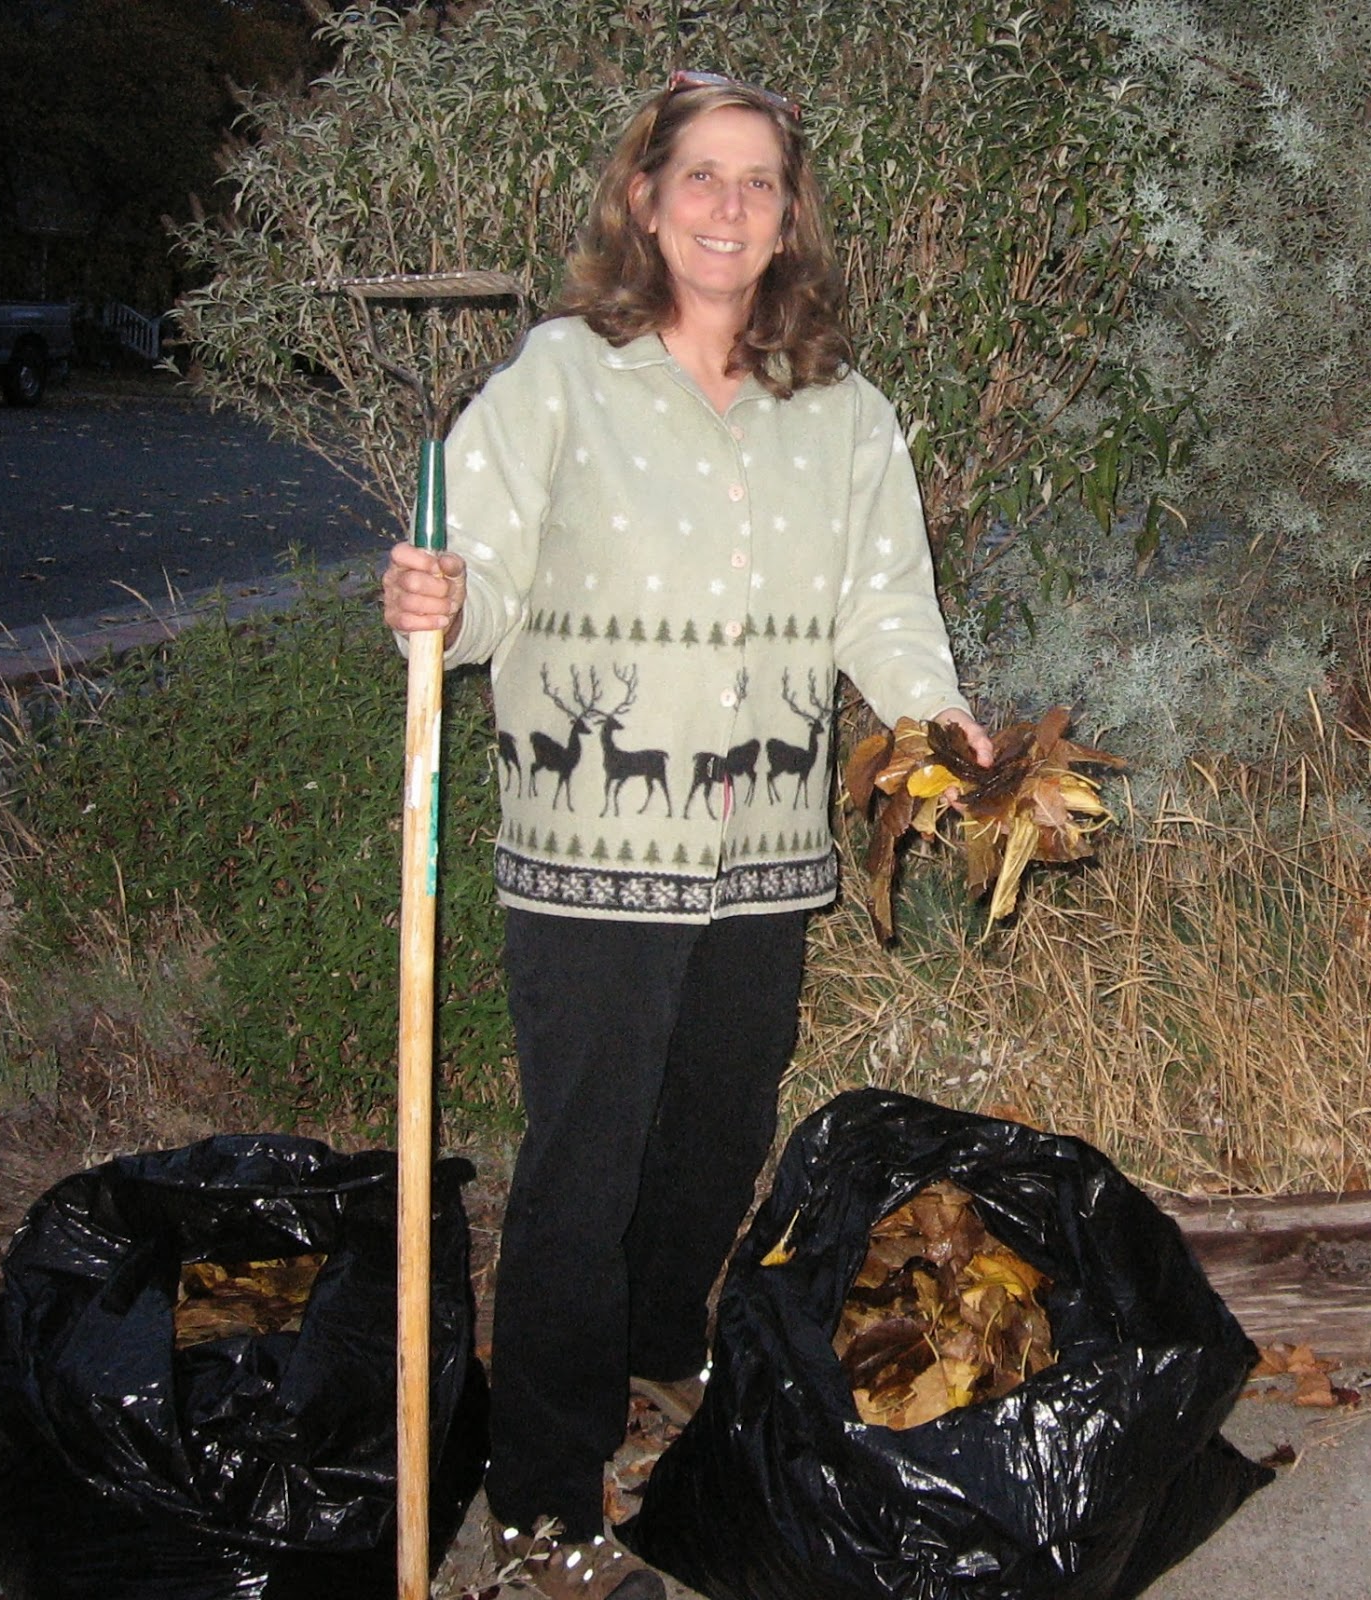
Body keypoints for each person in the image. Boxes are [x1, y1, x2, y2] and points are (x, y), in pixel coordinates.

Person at [384, 69, 992, 1600]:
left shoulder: (844, 414)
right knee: (586, 1157)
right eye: (701, 178)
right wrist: (445, 609)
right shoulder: (556, 380)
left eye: (759, 182)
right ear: (644, 202)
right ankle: (540, 1487)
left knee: (720, 1121)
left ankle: (656, 1356)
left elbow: (883, 602)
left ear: (791, 217)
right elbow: (492, 580)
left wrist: (939, 723)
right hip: (593, 844)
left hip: (767, 840)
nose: (730, 206)